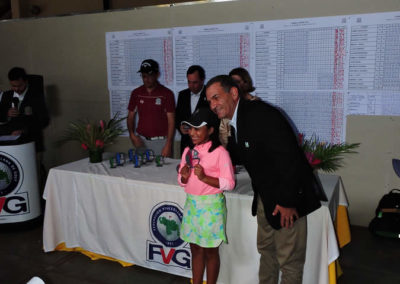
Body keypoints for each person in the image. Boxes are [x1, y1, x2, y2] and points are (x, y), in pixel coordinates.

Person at [205, 75, 327, 284]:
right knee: (267, 253)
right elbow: (242, 156)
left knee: (289, 262)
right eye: (209, 101)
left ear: (233, 93)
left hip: (288, 200)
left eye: (216, 97)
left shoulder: (261, 115)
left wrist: (288, 202)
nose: (213, 105)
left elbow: (290, 158)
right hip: (266, 198)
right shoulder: (236, 120)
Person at [178, 107, 235, 284]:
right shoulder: (188, 151)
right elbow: (181, 180)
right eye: (190, 129)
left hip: (211, 207)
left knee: (210, 251)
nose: (192, 133)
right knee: (195, 249)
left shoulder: (220, 153)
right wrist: (184, 177)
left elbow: (229, 183)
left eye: (197, 128)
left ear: (210, 130)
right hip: (192, 205)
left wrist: (204, 177)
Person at [127, 59, 175, 156]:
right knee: (140, 170)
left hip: (161, 142)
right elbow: (130, 116)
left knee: (162, 171)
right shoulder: (136, 93)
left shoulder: (167, 94)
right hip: (141, 141)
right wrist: (132, 135)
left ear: (157, 75)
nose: (146, 79)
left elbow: (171, 121)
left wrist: (168, 144)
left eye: (150, 76)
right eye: (144, 76)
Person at [0, 67, 50, 153]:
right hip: (9, 144)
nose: (16, 89)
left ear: (26, 82)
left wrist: (24, 130)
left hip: (31, 142)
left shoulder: (36, 96)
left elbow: (44, 120)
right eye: (13, 86)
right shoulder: (5, 95)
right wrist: (7, 114)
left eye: (19, 86)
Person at [175, 65, 209, 156]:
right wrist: (180, 127)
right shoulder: (182, 95)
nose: (191, 86)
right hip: (186, 143)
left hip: (204, 144)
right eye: (189, 82)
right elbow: (177, 117)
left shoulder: (210, 94)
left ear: (202, 80)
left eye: (195, 82)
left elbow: (214, 119)